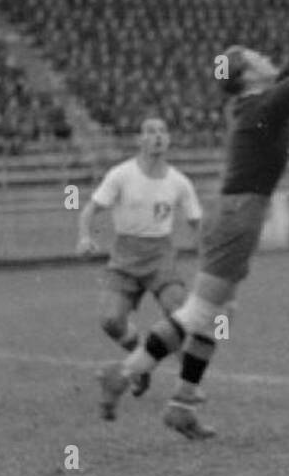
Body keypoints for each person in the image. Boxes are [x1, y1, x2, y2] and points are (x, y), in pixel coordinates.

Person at [99, 0, 289, 436]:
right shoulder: (263, 106)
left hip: (237, 214)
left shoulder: (254, 103)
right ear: (248, 75)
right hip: (238, 216)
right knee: (198, 313)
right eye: (257, 57)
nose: (268, 58)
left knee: (213, 313)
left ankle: (184, 403)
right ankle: (126, 372)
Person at [78, 116, 202, 400]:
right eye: (150, 131)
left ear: (168, 140)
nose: (157, 136)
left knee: (179, 311)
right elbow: (89, 210)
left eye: (162, 131)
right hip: (125, 256)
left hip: (160, 256)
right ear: (140, 140)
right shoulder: (121, 175)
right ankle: (140, 363)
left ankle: (189, 385)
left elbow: (197, 224)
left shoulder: (179, 182)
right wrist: (85, 237)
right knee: (110, 320)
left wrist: (207, 258)